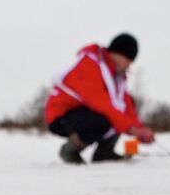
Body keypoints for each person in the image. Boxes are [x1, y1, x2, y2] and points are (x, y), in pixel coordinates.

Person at [45, 33, 155, 164]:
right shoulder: (89, 65)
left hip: (85, 112)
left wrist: (138, 129)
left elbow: (125, 105)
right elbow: (103, 105)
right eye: (128, 61)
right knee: (102, 120)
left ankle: (104, 153)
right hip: (61, 117)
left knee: (118, 111)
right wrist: (133, 130)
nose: (129, 66)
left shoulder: (116, 76)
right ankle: (69, 151)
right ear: (119, 54)